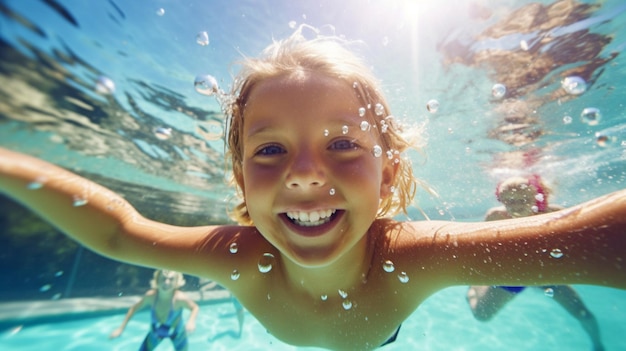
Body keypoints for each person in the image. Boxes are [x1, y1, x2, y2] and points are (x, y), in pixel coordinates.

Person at [0, 28, 625, 350]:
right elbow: (117, 229)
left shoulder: (408, 255)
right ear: (241, 181)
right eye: (270, 150)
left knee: (488, 297)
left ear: (390, 175)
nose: (304, 173)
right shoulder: (240, 256)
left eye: (343, 145)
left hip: (390, 326)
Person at [467, 175, 604, 350]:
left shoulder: (554, 214)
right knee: (482, 315)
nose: (516, 206)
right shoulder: (495, 216)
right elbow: (482, 249)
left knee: (584, 315)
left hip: (546, 274)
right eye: (509, 201)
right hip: (513, 275)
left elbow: (576, 243)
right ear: (500, 199)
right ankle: (473, 290)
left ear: (536, 196)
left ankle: (598, 345)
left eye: (522, 199)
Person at [109, 270, 199, 351]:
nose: (166, 282)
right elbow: (133, 309)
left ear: (176, 283)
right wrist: (121, 328)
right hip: (155, 333)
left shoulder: (179, 299)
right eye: (163, 279)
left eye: (171, 279)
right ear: (157, 281)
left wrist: (191, 321)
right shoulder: (151, 297)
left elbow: (195, 307)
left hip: (177, 334)